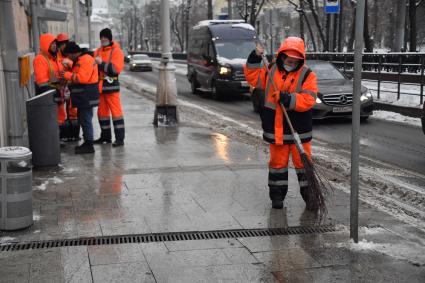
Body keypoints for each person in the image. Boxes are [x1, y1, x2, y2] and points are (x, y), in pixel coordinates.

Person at [244, 37, 318, 210]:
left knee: (303, 166)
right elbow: (253, 77)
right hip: (276, 130)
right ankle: (277, 198)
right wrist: (255, 56)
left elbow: (309, 99)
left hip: (298, 130)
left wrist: (288, 98)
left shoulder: (307, 75)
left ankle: (311, 197)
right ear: (282, 56)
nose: (291, 62)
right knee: (277, 167)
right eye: (288, 58)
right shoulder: (270, 70)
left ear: (301, 59)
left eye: (295, 60)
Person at [60, 42, 99, 154]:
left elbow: (82, 78)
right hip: (83, 96)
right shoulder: (81, 60)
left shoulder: (85, 60)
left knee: (86, 120)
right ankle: (87, 142)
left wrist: (66, 75)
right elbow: (79, 73)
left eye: (68, 55)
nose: (68, 57)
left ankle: (89, 145)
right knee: (83, 119)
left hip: (86, 95)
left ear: (73, 53)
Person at [93, 28, 125, 147]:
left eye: (105, 37)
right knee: (102, 114)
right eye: (101, 37)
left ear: (110, 38)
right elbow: (91, 69)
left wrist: (101, 64)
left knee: (116, 114)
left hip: (111, 88)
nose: (103, 39)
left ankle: (120, 139)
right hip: (100, 88)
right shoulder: (96, 51)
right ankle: (105, 137)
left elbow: (115, 70)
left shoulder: (117, 52)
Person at [33, 33, 66, 138]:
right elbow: (42, 82)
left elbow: (59, 75)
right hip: (48, 95)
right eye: (52, 44)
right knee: (50, 118)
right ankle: (52, 140)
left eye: (55, 43)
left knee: (59, 117)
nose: (54, 45)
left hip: (57, 93)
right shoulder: (40, 59)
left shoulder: (55, 59)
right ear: (45, 44)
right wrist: (56, 85)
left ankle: (57, 139)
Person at [56, 33, 80, 141]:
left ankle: (74, 134)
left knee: (73, 109)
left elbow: (76, 65)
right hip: (61, 86)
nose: (64, 46)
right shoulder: (56, 56)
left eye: (65, 43)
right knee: (61, 110)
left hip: (71, 85)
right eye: (62, 44)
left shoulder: (70, 54)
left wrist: (69, 63)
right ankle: (63, 134)